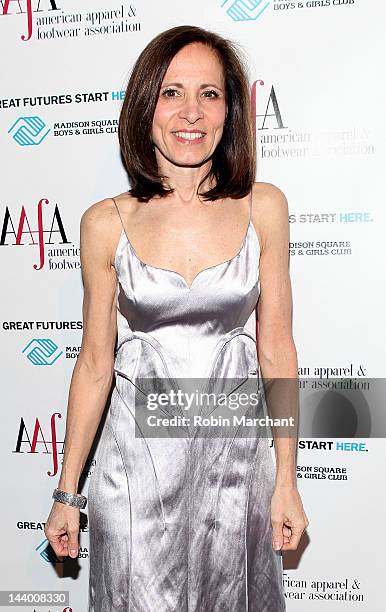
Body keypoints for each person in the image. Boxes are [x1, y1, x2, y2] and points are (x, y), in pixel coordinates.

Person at [44, 25, 308, 611]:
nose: (191, 112)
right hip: (132, 479)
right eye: (172, 93)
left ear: (230, 110)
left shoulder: (263, 208)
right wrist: (68, 494)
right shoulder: (104, 222)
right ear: (145, 107)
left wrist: (287, 480)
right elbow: (93, 367)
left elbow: (278, 352)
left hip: (236, 476)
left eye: (210, 94)